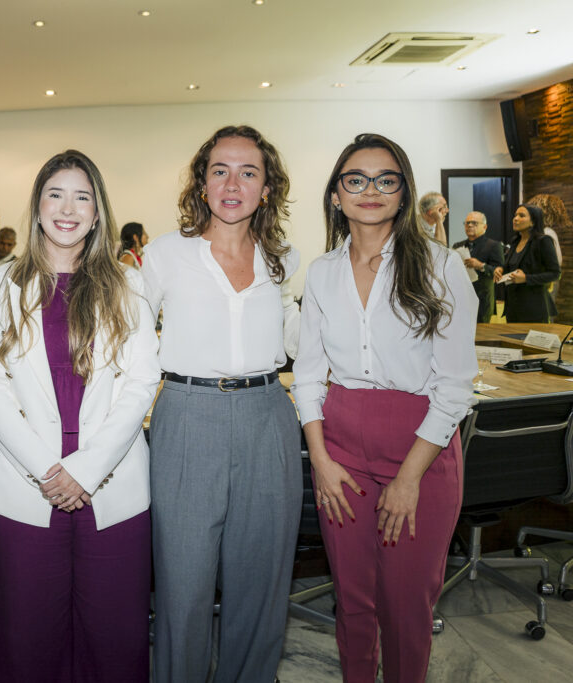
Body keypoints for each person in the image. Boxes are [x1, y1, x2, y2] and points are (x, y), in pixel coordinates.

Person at [293, 133, 477, 683]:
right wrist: (321, 461)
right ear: (335, 195)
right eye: (355, 179)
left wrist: (408, 478)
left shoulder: (442, 268)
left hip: (420, 449)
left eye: (385, 180)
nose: (370, 190)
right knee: (352, 602)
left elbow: (455, 387)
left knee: (405, 607)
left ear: (403, 193)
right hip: (341, 449)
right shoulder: (323, 273)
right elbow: (306, 376)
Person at [0, 149, 159, 682]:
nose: (68, 208)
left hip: (112, 480)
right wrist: (49, 469)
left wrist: (86, 468)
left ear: (98, 212)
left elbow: (141, 380)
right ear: (36, 207)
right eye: (56, 193)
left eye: (83, 196)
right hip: (23, 479)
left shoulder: (129, 283)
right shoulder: (2, 283)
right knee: (28, 635)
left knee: (115, 635)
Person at [143, 125, 302, 683]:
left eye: (248, 171)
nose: (233, 183)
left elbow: (299, 343)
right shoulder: (165, 254)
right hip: (188, 415)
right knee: (183, 583)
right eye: (220, 170)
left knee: (260, 582)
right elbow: (133, 342)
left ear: (267, 186)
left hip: (268, 417)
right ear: (202, 182)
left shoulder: (282, 258)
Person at [494, 203, 560, 323]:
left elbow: (555, 273)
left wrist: (526, 278)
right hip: (513, 307)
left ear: (533, 222)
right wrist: (500, 269)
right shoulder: (515, 242)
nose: (515, 218)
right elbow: (510, 266)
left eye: (521, 215)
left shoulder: (543, 241)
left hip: (534, 307)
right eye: (515, 215)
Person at [452, 211, 503, 322]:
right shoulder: (457, 245)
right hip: (462, 296)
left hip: (483, 297)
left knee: (479, 332)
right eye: (467, 223)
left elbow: (500, 272)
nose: (469, 225)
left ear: (484, 227)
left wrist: (480, 265)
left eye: (474, 223)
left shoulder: (493, 245)